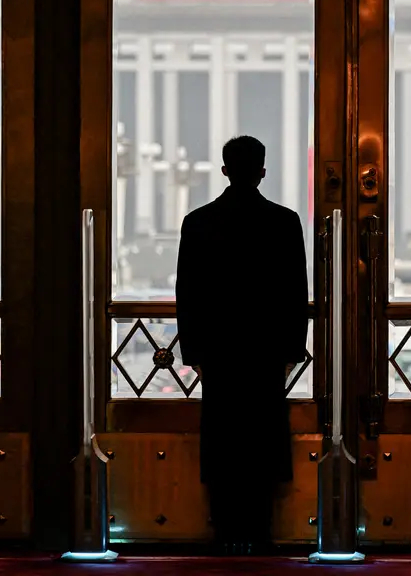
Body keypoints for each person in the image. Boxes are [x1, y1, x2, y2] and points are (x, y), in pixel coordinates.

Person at [176, 135, 309, 555]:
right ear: (263, 171)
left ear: (224, 170)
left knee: (223, 440)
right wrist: (292, 351)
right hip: (265, 351)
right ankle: (259, 529)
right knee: (261, 440)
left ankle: (225, 529)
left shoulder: (197, 222)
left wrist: (194, 354)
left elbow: (188, 292)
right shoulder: (285, 222)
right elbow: (295, 293)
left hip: (218, 352)